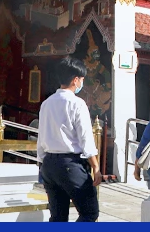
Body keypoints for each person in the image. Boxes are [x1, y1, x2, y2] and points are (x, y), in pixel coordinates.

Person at [36, 57, 100, 222]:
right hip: (70, 164)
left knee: (57, 216)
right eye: (82, 80)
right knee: (89, 212)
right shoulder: (77, 104)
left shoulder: (46, 103)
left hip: (49, 164)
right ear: (75, 80)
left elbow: (41, 136)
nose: (82, 84)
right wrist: (96, 167)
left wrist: (42, 163)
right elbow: (85, 138)